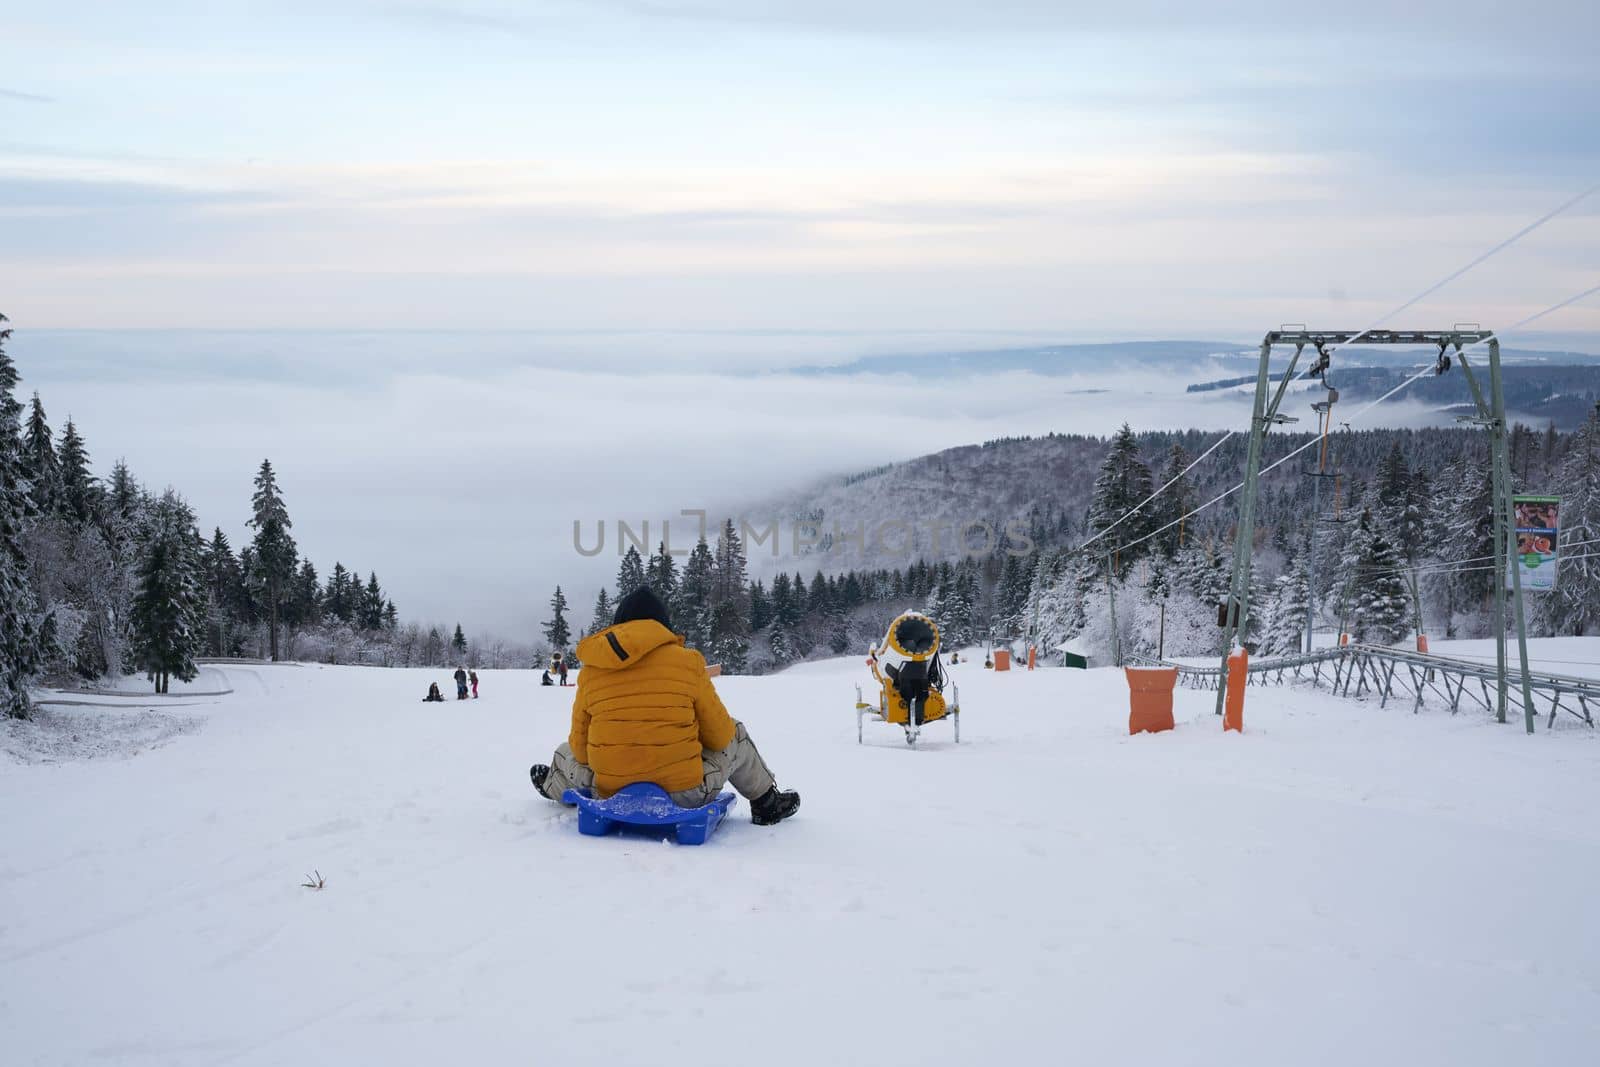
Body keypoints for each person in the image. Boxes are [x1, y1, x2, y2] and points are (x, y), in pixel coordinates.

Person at [529, 587, 800, 826]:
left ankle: (553, 786)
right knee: (736, 732)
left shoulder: (592, 671)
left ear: (617, 626)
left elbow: (580, 750)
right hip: (685, 795)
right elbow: (720, 736)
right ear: (662, 626)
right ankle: (767, 803)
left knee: (565, 753)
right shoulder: (688, 662)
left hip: (609, 791)